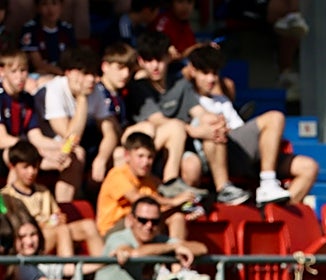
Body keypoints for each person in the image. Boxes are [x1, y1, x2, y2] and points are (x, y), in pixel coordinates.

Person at [160, 44, 318, 206]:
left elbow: (238, 127)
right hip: (220, 152)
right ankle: (267, 183)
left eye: (214, 73)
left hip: (244, 151)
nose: (211, 79)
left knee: (309, 167)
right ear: (192, 71)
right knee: (274, 117)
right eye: (205, 73)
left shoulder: (221, 99)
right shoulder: (187, 95)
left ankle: (274, 211)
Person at [0, 46, 83, 202]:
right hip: (8, 152)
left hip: (26, 148)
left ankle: (64, 205)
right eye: (14, 71)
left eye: (23, 70)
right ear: (2, 71)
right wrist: (40, 152)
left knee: (75, 155)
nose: (20, 77)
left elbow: (36, 136)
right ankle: (11, 210)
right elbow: (2, 139)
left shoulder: (27, 99)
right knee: (17, 156)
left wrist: (61, 146)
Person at [123, 31, 203, 192]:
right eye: (148, 60)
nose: (154, 66)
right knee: (175, 127)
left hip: (178, 148)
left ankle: (188, 205)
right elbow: (157, 120)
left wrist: (214, 123)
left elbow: (199, 111)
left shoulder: (180, 83)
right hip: (150, 147)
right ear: (140, 61)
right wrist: (191, 129)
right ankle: (170, 182)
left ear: (168, 57)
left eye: (159, 59)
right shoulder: (138, 87)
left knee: (193, 166)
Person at [3, 138, 103, 256]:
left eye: (34, 167)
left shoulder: (43, 191)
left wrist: (60, 218)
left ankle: (105, 269)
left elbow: (56, 214)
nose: (31, 172)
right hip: (29, 239)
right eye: (25, 167)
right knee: (62, 231)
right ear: (12, 167)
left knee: (89, 226)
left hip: (52, 231)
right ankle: (68, 270)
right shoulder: (4, 196)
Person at [96, 131, 202, 240]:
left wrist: (185, 208)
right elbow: (138, 199)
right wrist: (173, 201)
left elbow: (160, 208)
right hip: (113, 231)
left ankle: (177, 251)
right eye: (140, 156)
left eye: (150, 157)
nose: (146, 162)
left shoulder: (151, 180)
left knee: (176, 217)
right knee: (138, 220)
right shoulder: (117, 175)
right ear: (127, 156)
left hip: (144, 224)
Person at [95, 194, 210, 280]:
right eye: (143, 220)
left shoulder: (159, 240)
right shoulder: (118, 238)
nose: (149, 226)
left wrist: (174, 247)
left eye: (155, 221)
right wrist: (173, 247)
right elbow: (134, 253)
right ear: (131, 220)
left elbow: (202, 248)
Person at [37, 45, 97, 201]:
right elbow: (69, 136)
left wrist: (102, 158)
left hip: (69, 143)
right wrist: (82, 99)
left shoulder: (95, 89)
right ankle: (67, 207)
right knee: (76, 154)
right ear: (70, 73)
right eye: (85, 73)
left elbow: (111, 128)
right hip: (43, 143)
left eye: (93, 73)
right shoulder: (54, 90)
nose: (91, 79)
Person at [8, 213, 114, 280]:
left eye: (33, 235)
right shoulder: (20, 264)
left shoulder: (41, 259)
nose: (29, 241)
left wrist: (108, 260)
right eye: (22, 237)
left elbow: (70, 268)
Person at [87, 41, 136, 184]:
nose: (126, 74)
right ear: (105, 66)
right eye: (120, 68)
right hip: (94, 152)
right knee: (124, 155)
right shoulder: (95, 91)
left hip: (110, 150)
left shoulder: (120, 96)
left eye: (129, 69)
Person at [19, 0, 76, 78]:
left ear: (61, 7)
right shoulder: (30, 29)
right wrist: (63, 73)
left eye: (54, 3)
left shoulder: (67, 29)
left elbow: (73, 57)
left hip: (65, 73)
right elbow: (38, 64)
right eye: (44, 4)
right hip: (40, 75)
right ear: (37, 8)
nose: (50, 9)